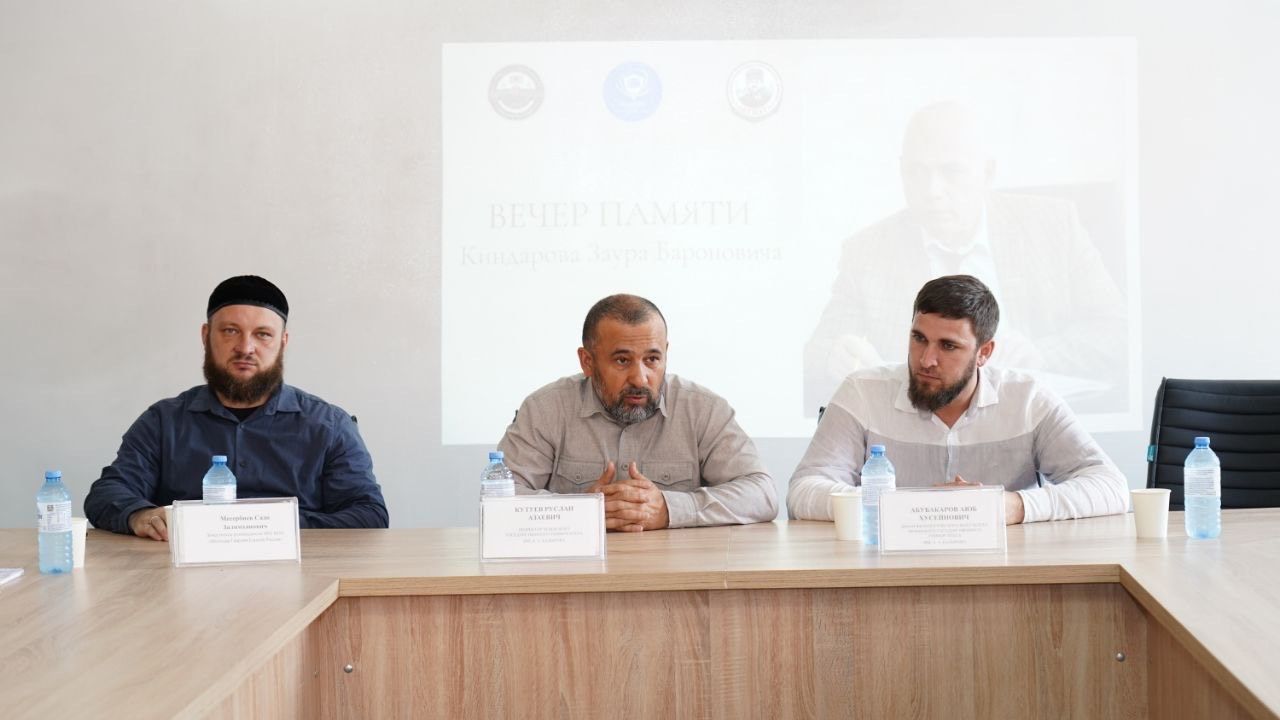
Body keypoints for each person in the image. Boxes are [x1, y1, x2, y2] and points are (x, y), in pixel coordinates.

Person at [803, 100, 1128, 415]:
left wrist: (1039, 354)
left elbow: (1116, 332)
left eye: (951, 172)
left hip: (1028, 417)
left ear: (987, 172)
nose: (932, 190)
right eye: (917, 172)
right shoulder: (868, 251)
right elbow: (817, 350)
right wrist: (834, 354)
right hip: (919, 423)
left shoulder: (1053, 227)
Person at [789, 275, 1129, 524]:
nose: (926, 360)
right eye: (919, 339)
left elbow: (1111, 487)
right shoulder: (862, 392)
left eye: (948, 346)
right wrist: (912, 507)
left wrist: (1010, 506)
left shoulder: (1028, 399)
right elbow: (803, 491)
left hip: (1004, 575)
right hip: (884, 572)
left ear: (985, 352)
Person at [84, 275, 389, 539]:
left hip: (302, 577)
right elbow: (107, 494)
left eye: (262, 334)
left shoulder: (330, 425)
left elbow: (369, 514)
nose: (245, 348)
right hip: (181, 578)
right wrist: (138, 515)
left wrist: (266, 528)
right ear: (206, 336)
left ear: (282, 343)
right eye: (230, 331)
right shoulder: (162, 421)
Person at [497, 294, 777, 531]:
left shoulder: (703, 409)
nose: (640, 378)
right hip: (575, 572)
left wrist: (669, 509)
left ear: (666, 353)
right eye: (622, 360)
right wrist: (577, 511)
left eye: (652, 359)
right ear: (587, 361)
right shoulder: (545, 409)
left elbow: (762, 494)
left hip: (677, 573)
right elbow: (497, 500)